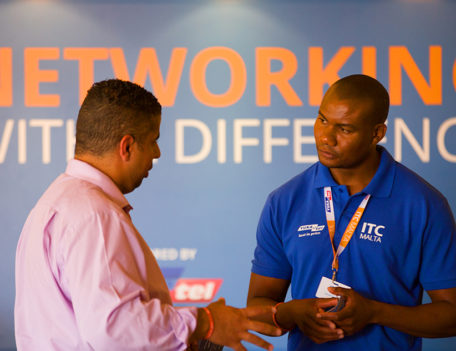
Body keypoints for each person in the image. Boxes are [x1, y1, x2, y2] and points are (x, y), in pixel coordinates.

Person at [15, 79, 280, 351]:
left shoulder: (53, 204)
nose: (157, 152)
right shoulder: (95, 215)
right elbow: (114, 331)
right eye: (153, 141)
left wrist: (198, 335)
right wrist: (204, 322)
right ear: (127, 146)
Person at [247, 74, 456, 350]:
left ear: (376, 133)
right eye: (322, 120)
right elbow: (258, 307)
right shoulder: (284, 201)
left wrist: (374, 312)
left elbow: (451, 315)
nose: (326, 137)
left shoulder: (424, 204)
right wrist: (293, 312)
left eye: (344, 129)